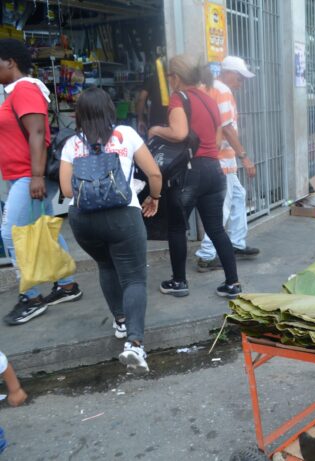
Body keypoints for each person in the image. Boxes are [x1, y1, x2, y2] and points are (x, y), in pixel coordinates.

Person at [59, 87, 162, 373]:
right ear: (109, 110)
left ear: (79, 114)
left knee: (105, 266)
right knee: (133, 278)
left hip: (83, 220)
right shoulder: (125, 134)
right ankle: (135, 344)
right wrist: (155, 197)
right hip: (123, 216)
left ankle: (120, 321)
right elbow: (154, 173)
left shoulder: (71, 144)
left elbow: (67, 189)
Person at [0, 39, 83, 326]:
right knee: (45, 231)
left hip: (28, 176)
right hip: (20, 175)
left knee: (11, 234)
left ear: (10, 62)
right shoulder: (14, 92)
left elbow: (37, 133)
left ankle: (31, 297)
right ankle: (67, 285)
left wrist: (35, 176)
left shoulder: (24, 89)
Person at [148, 55, 242, 299]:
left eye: (170, 77)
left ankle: (179, 282)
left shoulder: (180, 98)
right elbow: (218, 136)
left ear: (176, 77)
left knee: (177, 228)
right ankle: (232, 283)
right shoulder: (209, 99)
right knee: (216, 228)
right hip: (214, 169)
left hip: (190, 172)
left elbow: (179, 133)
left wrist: (156, 130)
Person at [195, 56, 259, 272]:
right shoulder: (222, 90)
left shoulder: (210, 87)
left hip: (217, 156)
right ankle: (206, 254)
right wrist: (244, 156)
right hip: (222, 157)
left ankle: (236, 243)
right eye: (240, 78)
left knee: (238, 197)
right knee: (222, 206)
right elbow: (227, 128)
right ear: (229, 73)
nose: (242, 83)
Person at [135, 70, 169, 136]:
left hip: (156, 121)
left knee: (156, 143)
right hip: (174, 119)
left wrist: (140, 119)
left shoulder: (151, 79)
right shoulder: (174, 78)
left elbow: (141, 98)